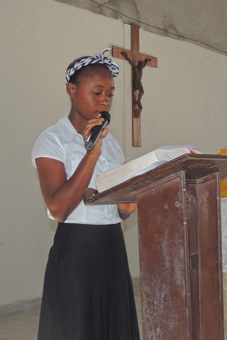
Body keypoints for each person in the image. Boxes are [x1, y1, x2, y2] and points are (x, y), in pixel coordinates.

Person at [31, 49, 140, 340]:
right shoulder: (53, 140)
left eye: (110, 94)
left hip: (113, 246)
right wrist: (90, 151)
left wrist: (138, 189)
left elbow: (123, 210)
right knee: (75, 330)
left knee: (114, 328)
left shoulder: (113, 143)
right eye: (97, 91)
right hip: (76, 249)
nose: (105, 100)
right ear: (72, 89)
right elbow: (58, 208)